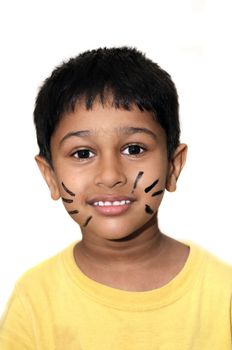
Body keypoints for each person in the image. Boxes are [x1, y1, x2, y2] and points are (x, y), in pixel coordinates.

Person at [0, 47, 231, 349]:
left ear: (173, 166)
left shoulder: (222, 294)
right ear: (51, 176)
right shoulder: (34, 300)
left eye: (134, 149)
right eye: (83, 153)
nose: (110, 175)